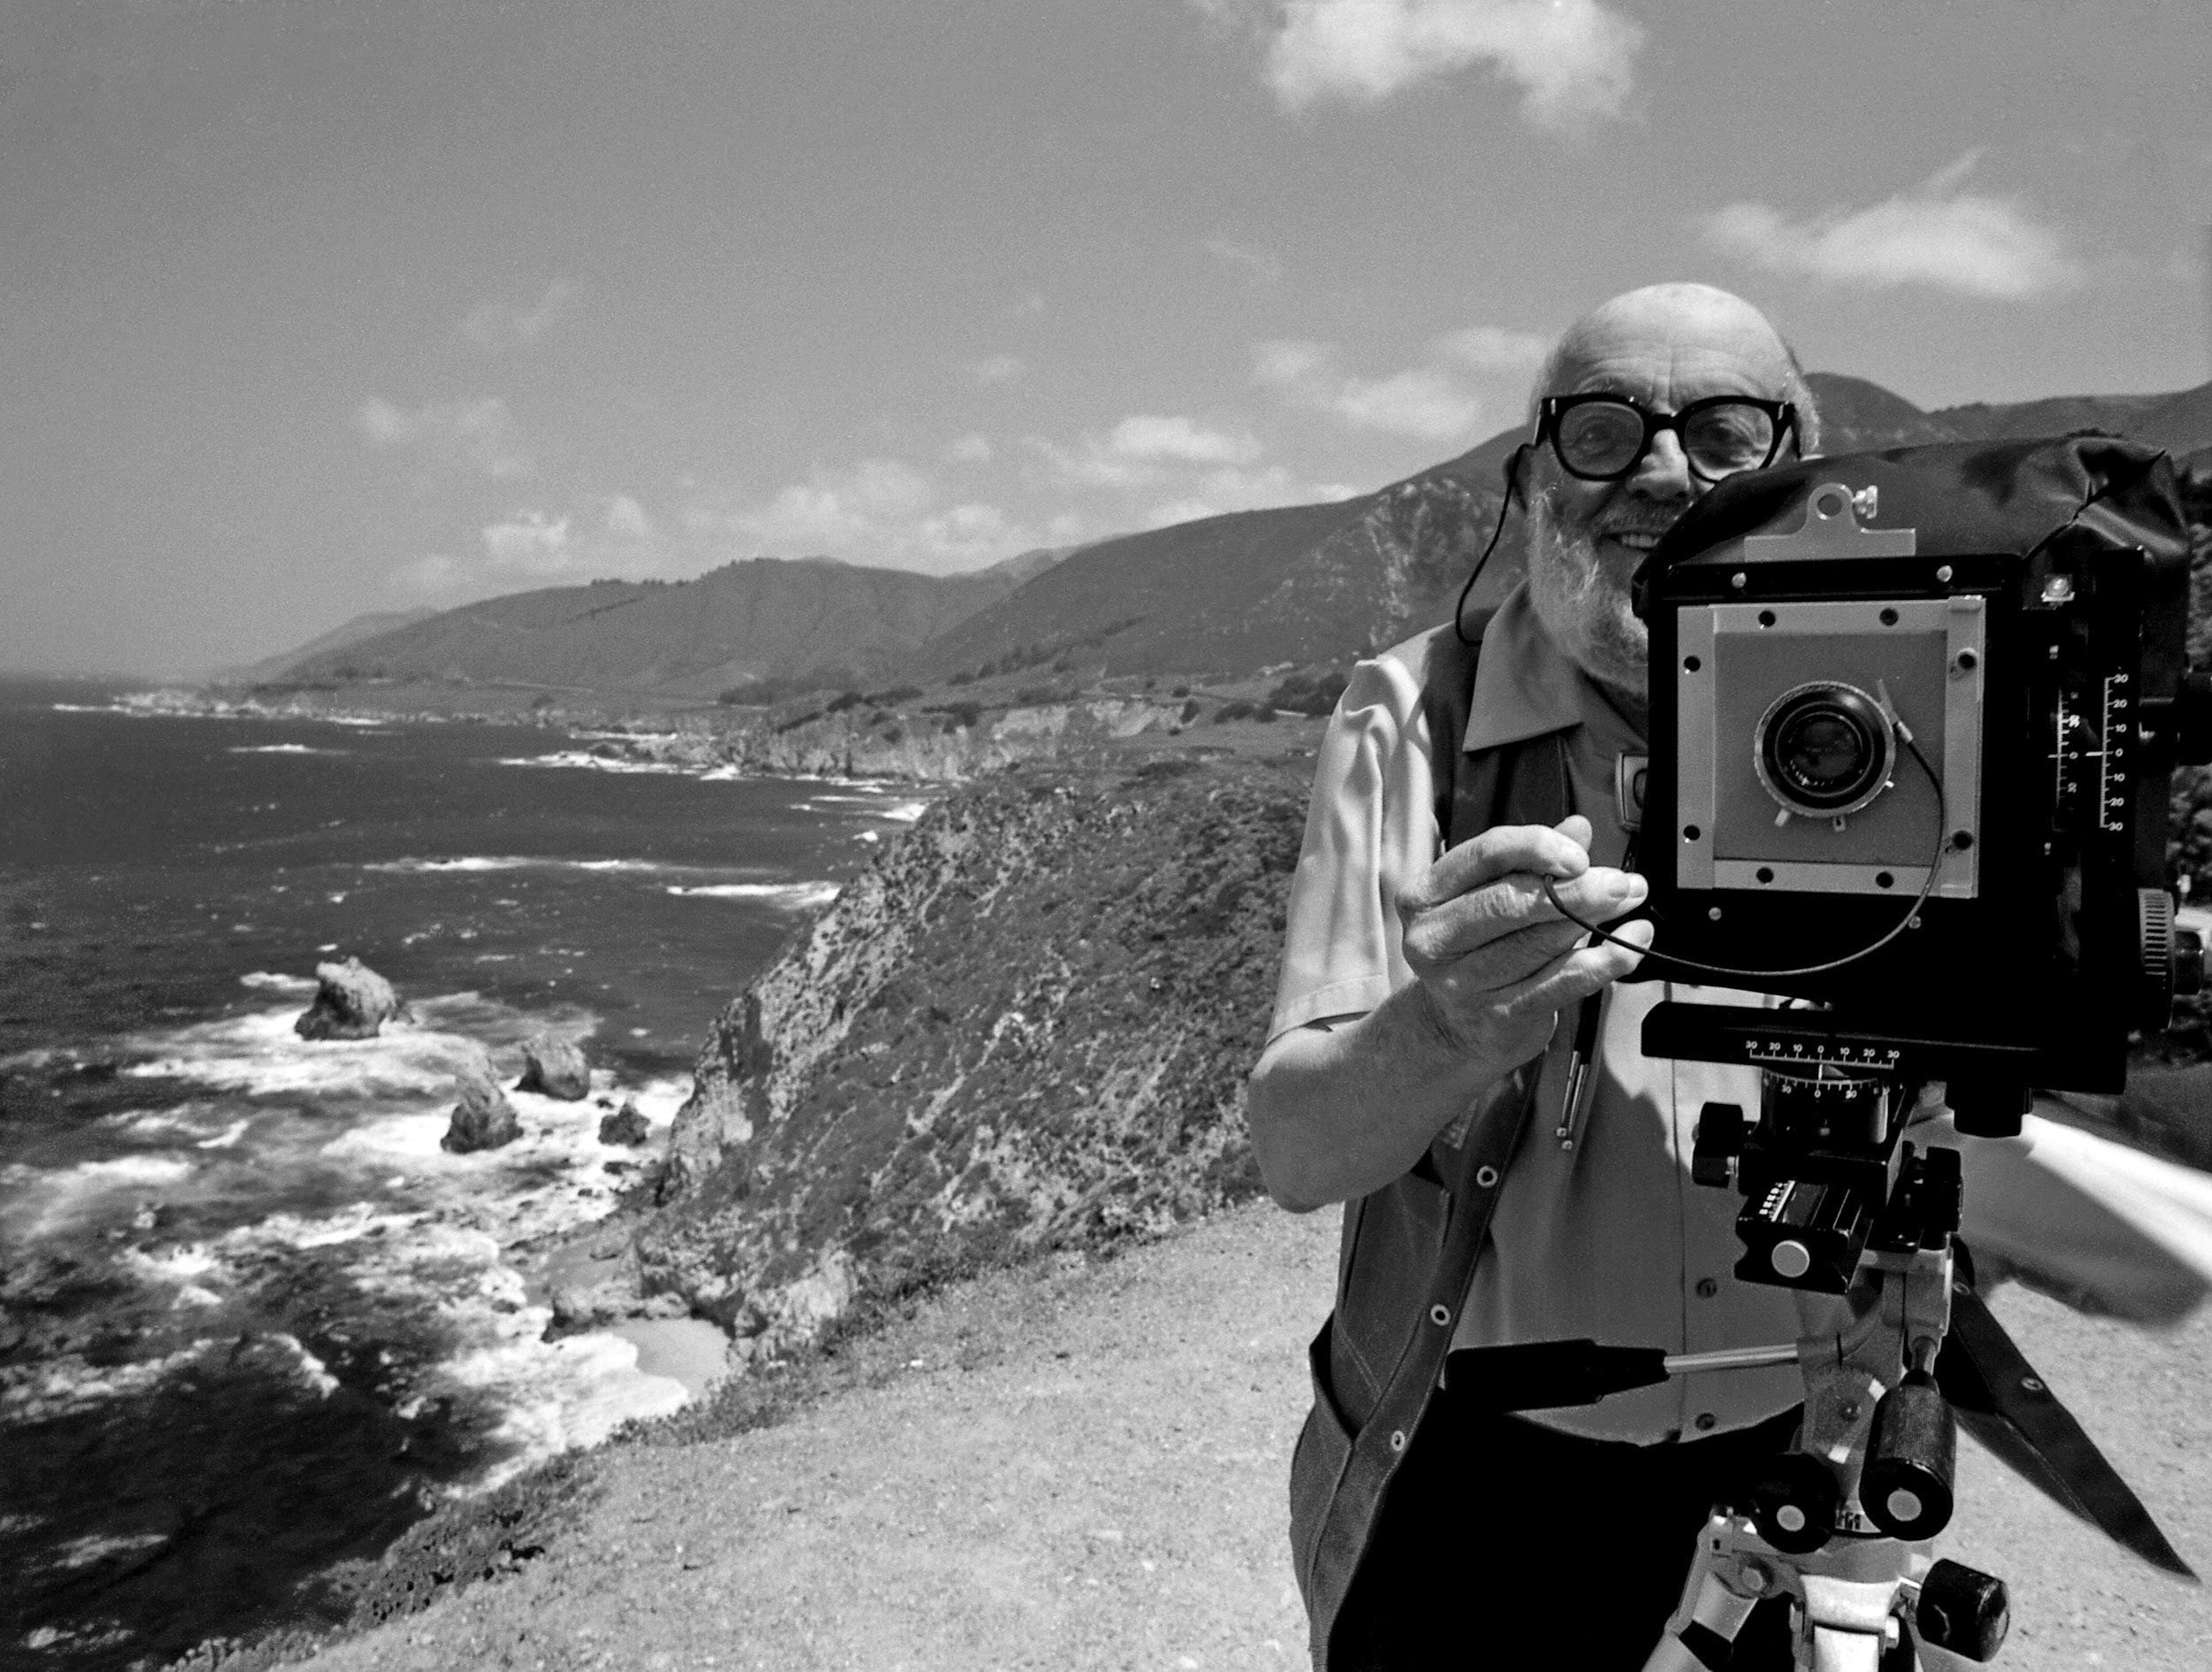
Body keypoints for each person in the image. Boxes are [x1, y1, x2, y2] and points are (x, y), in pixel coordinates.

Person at [1247, 283, 2212, 1669]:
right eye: (1600, 430)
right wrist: (1447, 1025)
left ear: (1802, 468)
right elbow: (1296, 1143)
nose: (1656, 470)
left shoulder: (1950, 703)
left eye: (1721, 431)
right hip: (1485, 1482)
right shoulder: (1418, 717)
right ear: (1528, 479)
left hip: (1799, 1466)